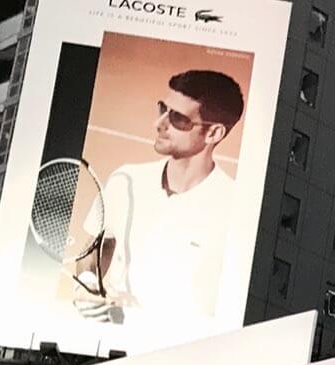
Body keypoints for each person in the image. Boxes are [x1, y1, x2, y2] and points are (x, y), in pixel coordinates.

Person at [73, 70, 244, 326]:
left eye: (178, 118)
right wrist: (86, 286)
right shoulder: (125, 180)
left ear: (213, 133)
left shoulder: (236, 210)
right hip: (109, 339)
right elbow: (95, 248)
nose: (159, 123)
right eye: (163, 109)